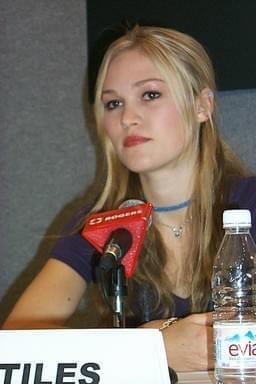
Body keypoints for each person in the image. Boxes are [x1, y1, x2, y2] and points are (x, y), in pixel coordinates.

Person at [2, 25, 256, 372]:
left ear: (201, 105)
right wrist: (152, 345)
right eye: (113, 103)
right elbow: (16, 342)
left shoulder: (250, 202)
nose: (127, 118)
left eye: (150, 95)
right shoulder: (100, 226)